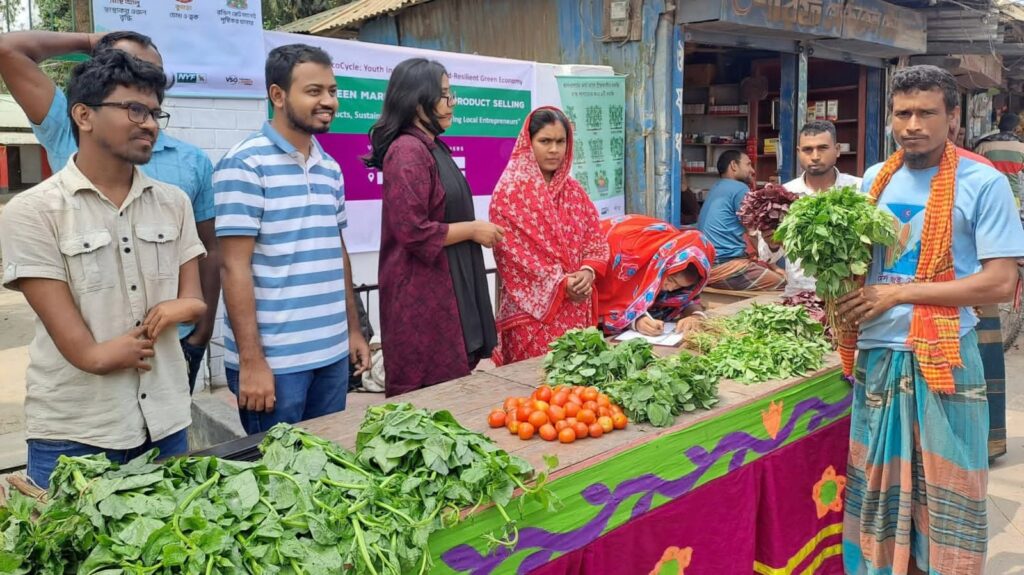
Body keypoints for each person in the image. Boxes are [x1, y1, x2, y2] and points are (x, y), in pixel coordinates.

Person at [837, 65, 1024, 575]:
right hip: (879, 355)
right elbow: (855, 261)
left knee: (948, 492)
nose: (912, 124)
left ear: (954, 119)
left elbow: (1000, 283)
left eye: (926, 113)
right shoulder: (875, 179)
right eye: (903, 113)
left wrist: (901, 296)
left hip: (944, 357)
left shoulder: (982, 181)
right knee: (881, 491)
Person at [0, 51, 206, 488]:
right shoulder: (34, 211)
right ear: (83, 115)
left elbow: (195, 299)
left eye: (154, 112)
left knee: (171, 551)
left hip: (165, 424)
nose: (149, 123)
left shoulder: (174, 202)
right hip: (75, 433)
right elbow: (79, 345)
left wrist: (180, 308)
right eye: (134, 109)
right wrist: (99, 356)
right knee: (76, 557)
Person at [214, 44, 370, 435]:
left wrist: (353, 331)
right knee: (280, 479)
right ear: (278, 96)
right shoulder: (244, 165)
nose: (328, 101)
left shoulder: (330, 168)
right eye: (314, 91)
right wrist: (251, 361)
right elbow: (233, 267)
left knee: (331, 465)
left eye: (332, 91)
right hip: (276, 367)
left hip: (332, 357)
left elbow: (337, 252)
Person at [364, 58, 501, 397]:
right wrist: (471, 230)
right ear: (416, 101)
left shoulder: (432, 146)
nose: (451, 102)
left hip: (448, 290)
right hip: (421, 299)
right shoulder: (407, 151)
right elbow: (413, 230)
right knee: (430, 401)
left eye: (451, 94)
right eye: (443, 95)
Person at [490, 107, 608, 365]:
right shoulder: (509, 193)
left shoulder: (574, 191)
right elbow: (514, 257)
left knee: (577, 389)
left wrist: (587, 272)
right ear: (528, 143)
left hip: (577, 306)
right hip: (532, 315)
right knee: (536, 393)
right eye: (545, 141)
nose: (554, 150)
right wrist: (561, 284)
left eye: (560, 142)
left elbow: (595, 240)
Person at [596, 215, 715, 337]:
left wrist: (696, 315)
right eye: (671, 280)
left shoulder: (674, 255)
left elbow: (687, 300)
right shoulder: (627, 261)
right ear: (663, 266)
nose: (670, 288)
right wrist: (634, 322)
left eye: (678, 287)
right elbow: (608, 306)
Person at [781, 120, 862, 295]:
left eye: (823, 148)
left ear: (837, 150)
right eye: (807, 150)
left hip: (848, 296)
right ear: (798, 152)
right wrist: (771, 241)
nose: (815, 156)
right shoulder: (784, 195)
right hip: (799, 296)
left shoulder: (859, 190)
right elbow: (768, 255)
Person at [697, 150, 785, 291]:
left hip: (707, 265)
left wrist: (771, 266)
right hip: (726, 268)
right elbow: (753, 233)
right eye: (748, 164)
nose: (752, 170)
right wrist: (775, 267)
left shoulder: (717, 187)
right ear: (733, 166)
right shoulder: (740, 189)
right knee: (785, 286)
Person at [975, 112, 1024, 208]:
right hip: (1012, 199)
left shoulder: (983, 146)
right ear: (1015, 129)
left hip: (988, 198)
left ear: (1000, 127)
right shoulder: (1021, 148)